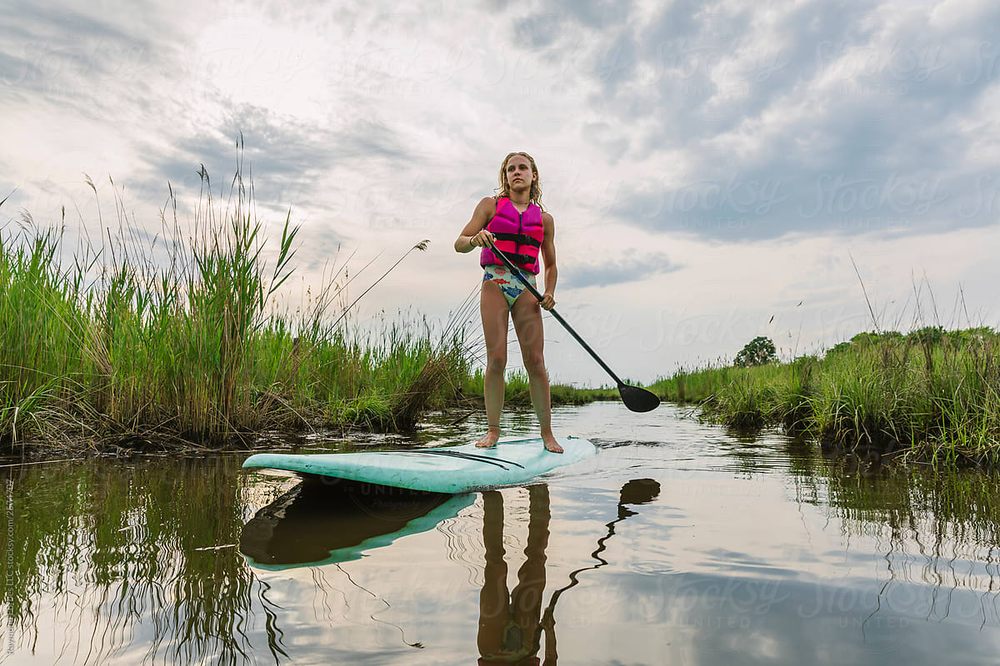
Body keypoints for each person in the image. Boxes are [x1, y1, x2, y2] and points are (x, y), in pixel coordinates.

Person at [454, 152, 563, 454]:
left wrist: (550, 292)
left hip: (527, 287)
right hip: (496, 283)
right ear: (505, 176)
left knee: (536, 362)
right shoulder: (490, 206)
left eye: (523, 168)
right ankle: (492, 431)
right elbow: (459, 242)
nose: (517, 172)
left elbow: (551, 265)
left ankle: (547, 434)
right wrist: (476, 239)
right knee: (497, 359)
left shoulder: (544, 220)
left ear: (533, 175)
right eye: (511, 168)